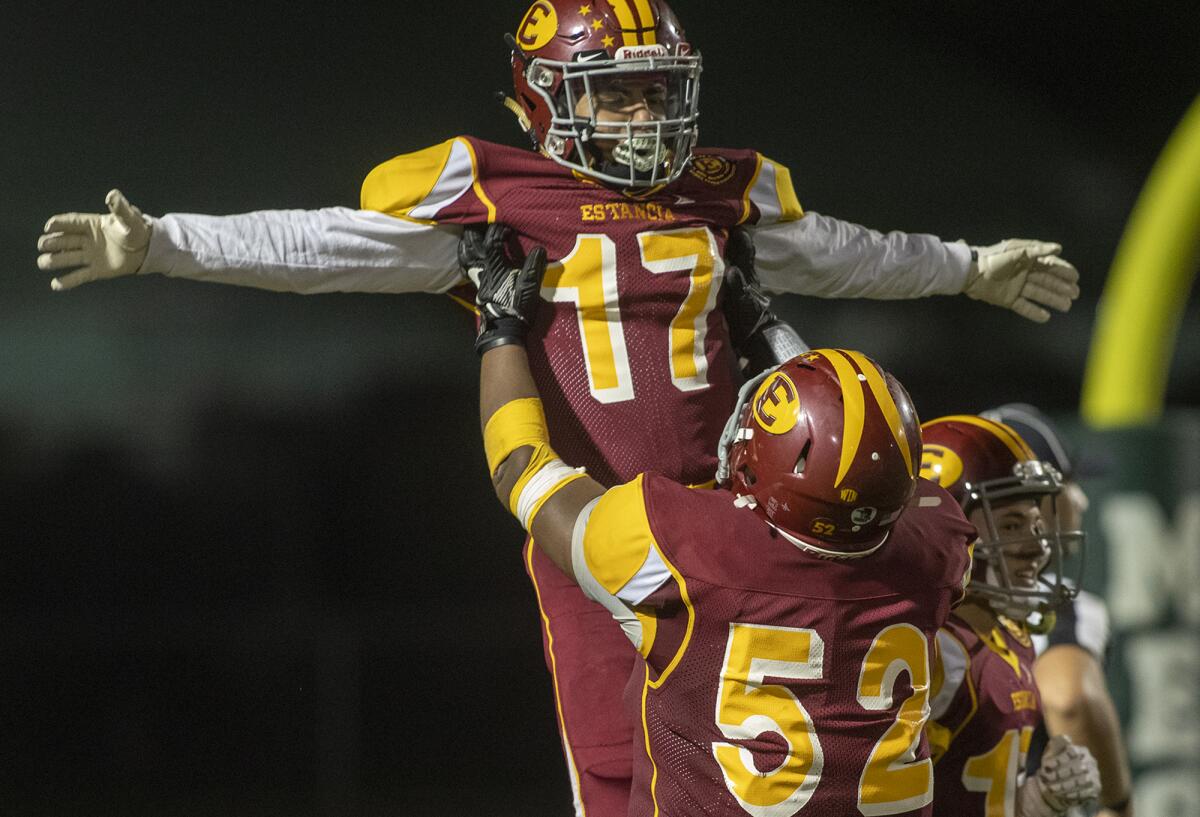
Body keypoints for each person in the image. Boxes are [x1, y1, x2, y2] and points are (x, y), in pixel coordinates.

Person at [35, 2, 1082, 813]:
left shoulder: (719, 193)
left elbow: (849, 254)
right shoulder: (502, 198)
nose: (645, 115)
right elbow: (328, 246)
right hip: (599, 528)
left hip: (737, 522)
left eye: (656, 90)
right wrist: (166, 241)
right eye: (617, 94)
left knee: (796, 737)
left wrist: (972, 266)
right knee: (620, 770)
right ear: (544, 101)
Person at [471, 223, 978, 814]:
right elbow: (853, 460)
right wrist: (767, 331)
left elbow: (522, 469)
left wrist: (501, 330)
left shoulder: (677, 546)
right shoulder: (937, 550)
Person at [919, 415, 1101, 816]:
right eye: (1013, 525)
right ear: (941, 532)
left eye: (1037, 524)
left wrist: (1041, 798)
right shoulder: (936, 655)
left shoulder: (1006, 634)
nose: (1039, 548)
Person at [980, 404, 1134, 817]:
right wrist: (1118, 805)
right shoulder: (1051, 601)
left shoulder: (918, 596)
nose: (1081, 499)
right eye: (1069, 482)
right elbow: (1070, 699)